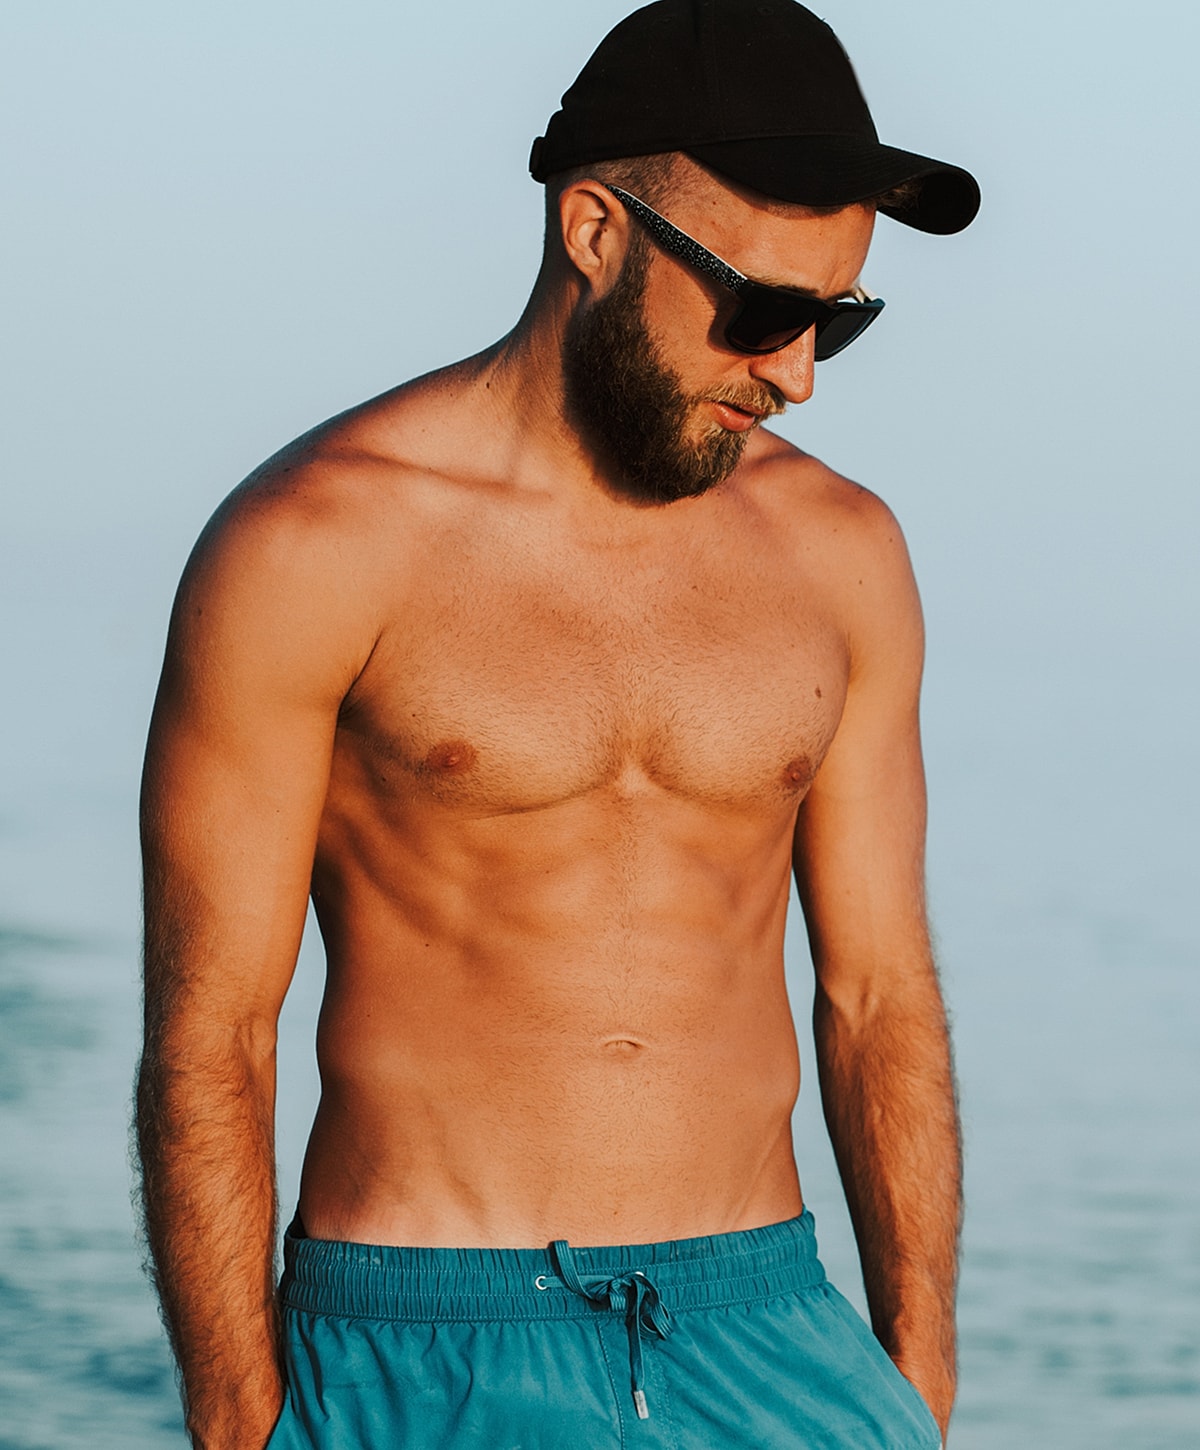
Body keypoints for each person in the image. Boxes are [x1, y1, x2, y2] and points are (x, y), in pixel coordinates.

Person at [136, 2, 980, 1446]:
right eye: (766, 312)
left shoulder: (844, 556)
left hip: (772, 1328)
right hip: (423, 1339)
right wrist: (237, 1419)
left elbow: (880, 997)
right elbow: (214, 1035)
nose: (799, 376)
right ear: (595, 231)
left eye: (839, 318)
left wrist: (916, 1378)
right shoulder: (313, 546)